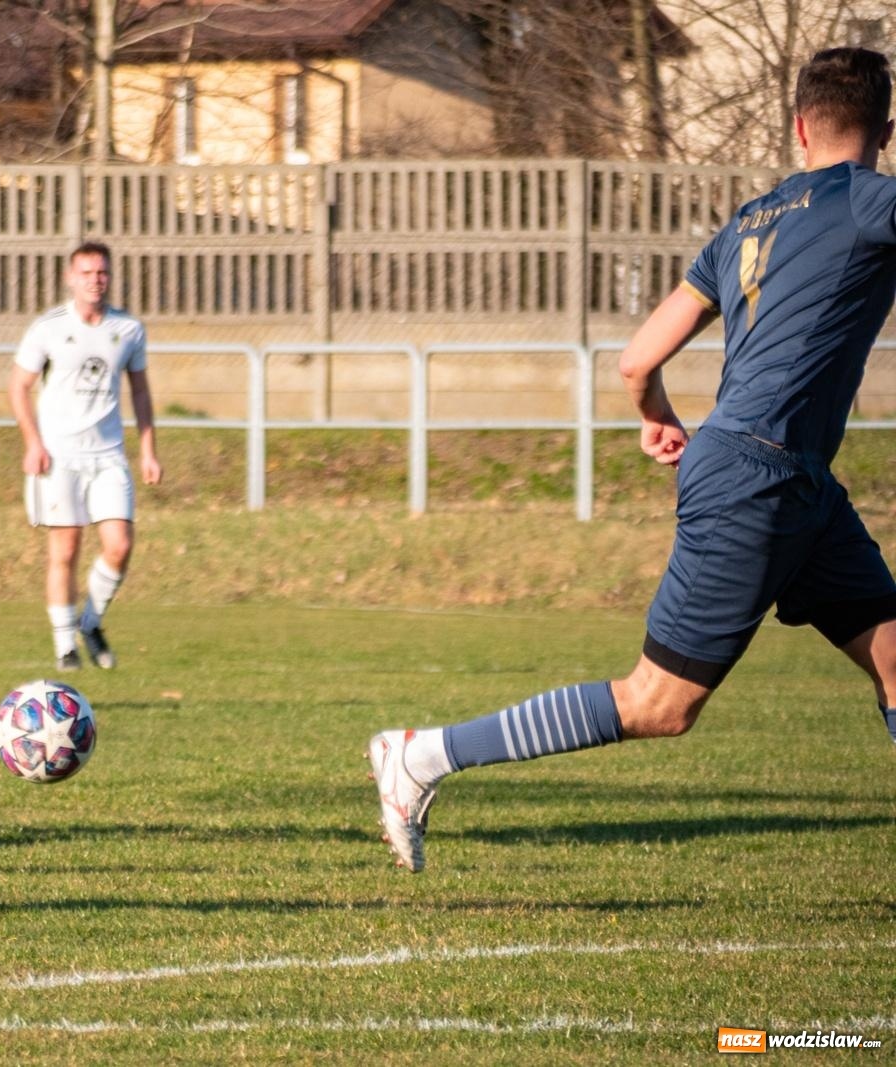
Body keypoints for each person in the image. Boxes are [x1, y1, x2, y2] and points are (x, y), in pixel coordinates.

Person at [368, 47, 896, 873]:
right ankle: (422, 755)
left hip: (790, 479)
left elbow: (635, 360)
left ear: (798, 128)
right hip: (758, 476)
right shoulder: (872, 202)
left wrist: (658, 419)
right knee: (660, 702)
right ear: (887, 133)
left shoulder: (749, 221)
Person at [8, 242, 162, 671]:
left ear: (110, 277)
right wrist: (33, 443)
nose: (95, 280)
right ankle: (65, 648)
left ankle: (91, 622)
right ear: (70, 278)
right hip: (59, 455)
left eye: (102, 273)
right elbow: (18, 386)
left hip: (108, 454)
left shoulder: (128, 329)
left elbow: (141, 390)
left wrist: (148, 450)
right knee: (66, 546)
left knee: (120, 545)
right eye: (87, 272)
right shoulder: (49, 328)